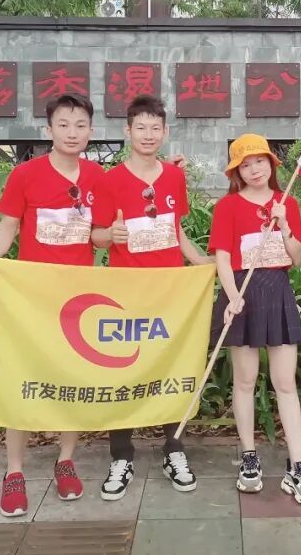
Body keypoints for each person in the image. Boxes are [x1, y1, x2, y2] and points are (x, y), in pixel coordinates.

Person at [0, 93, 103, 517]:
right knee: (23, 380)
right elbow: (8, 225)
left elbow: (99, 233)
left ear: (91, 131)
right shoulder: (25, 174)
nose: (71, 133)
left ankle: (66, 460)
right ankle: (14, 471)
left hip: (78, 299)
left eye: (80, 125)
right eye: (63, 124)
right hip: (31, 298)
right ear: (49, 130)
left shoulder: (98, 176)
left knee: (73, 379)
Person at [89, 94, 213, 500]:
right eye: (140, 127)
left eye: (154, 128)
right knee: (123, 370)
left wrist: (200, 260)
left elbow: (176, 230)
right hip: (125, 293)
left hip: (171, 291)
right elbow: (96, 236)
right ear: (128, 131)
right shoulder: (109, 181)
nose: (147, 134)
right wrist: (110, 235)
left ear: (165, 131)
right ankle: (121, 455)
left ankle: (174, 449)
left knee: (170, 366)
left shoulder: (174, 177)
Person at [208, 134, 301, 505]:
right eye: (245, 164)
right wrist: (232, 296)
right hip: (242, 294)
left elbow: (298, 258)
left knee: (285, 383)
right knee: (244, 381)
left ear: (272, 164)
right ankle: (249, 457)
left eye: (260, 161)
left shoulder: (287, 202)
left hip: (278, 293)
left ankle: (298, 465)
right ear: (236, 172)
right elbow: (223, 257)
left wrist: (285, 225)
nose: (254, 169)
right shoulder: (227, 206)